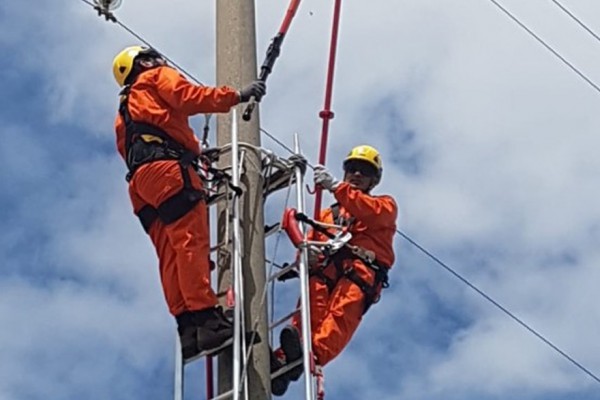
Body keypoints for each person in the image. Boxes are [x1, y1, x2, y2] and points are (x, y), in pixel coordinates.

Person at [112, 45, 266, 360]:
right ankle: (208, 320)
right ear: (144, 62)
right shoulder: (156, 77)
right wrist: (235, 95)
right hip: (168, 173)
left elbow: (141, 141)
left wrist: (192, 154)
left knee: (169, 255)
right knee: (189, 243)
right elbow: (188, 96)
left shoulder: (125, 110)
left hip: (141, 185)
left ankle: (189, 328)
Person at [273, 145, 397, 394]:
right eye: (352, 169)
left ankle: (313, 355)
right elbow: (309, 240)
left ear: (374, 179)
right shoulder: (327, 214)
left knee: (340, 315)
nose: (357, 175)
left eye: (364, 171)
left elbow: (369, 212)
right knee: (307, 311)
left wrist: (335, 188)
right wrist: (304, 256)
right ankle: (286, 359)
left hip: (359, 272)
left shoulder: (384, 205)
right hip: (325, 271)